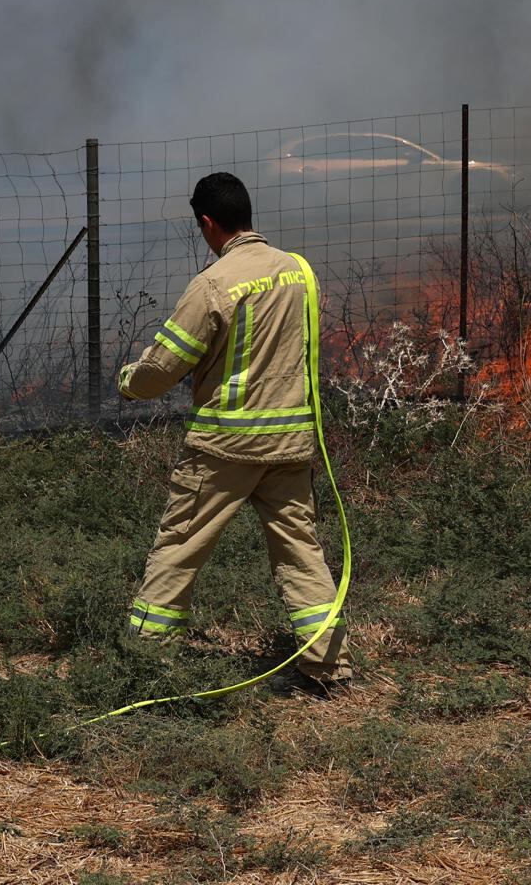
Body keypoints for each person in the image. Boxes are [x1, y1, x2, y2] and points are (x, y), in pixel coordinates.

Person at [116, 172, 351, 696]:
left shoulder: (213, 284)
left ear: (206, 222)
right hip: (291, 444)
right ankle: (330, 669)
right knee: (301, 553)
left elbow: (164, 367)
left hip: (225, 446)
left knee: (179, 547)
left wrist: (130, 384)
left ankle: (144, 663)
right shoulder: (299, 272)